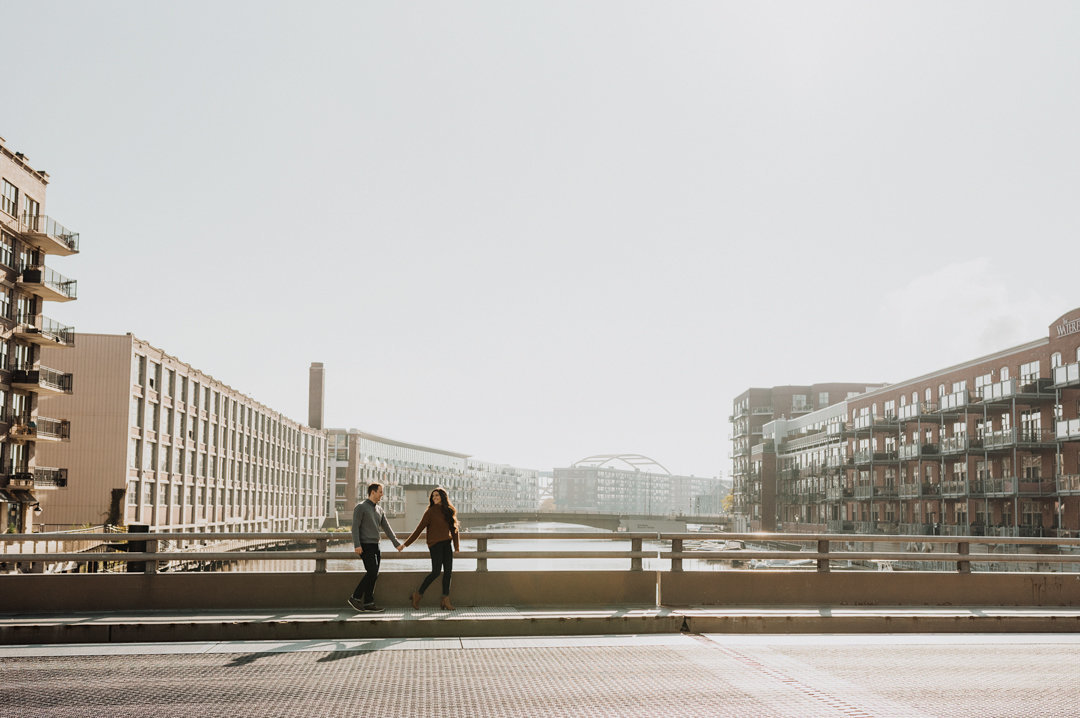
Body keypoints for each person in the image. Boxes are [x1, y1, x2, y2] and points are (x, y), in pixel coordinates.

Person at [397, 486, 460, 610]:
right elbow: (419, 529)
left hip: (447, 544)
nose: (435, 498)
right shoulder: (430, 512)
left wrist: (456, 546)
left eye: (437, 495)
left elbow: (454, 530)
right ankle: (418, 595)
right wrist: (405, 544)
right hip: (435, 545)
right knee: (436, 572)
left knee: (448, 572)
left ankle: (445, 600)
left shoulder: (449, 511)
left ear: (443, 497)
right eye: (433, 496)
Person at [348, 482, 401, 613]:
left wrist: (396, 544)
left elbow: (387, 528)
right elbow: (355, 527)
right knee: (372, 572)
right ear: (373, 492)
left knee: (374, 574)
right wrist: (357, 544)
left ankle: (368, 602)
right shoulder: (360, 507)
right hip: (365, 546)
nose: (382, 494)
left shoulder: (379, 509)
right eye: (380, 491)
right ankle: (355, 597)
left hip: (376, 545)